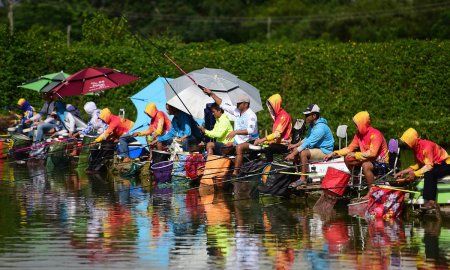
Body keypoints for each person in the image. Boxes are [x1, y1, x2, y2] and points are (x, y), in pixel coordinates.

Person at [324, 111, 388, 189]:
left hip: (381, 162)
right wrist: (334, 153)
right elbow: (349, 148)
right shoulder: (358, 135)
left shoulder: (375, 134)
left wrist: (356, 154)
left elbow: (373, 153)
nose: (356, 127)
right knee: (347, 158)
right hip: (368, 160)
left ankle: (371, 190)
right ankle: (356, 180)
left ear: (362, 124)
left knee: (365, 165)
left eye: (357, 125)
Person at [202, 88, 258, 176]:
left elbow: (250, 130)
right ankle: (214, 170)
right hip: (237, 142)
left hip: (251, 142)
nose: (237, 104)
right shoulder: (237, 111)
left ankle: (235, 173)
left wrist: (235, 132)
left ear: (245, 104)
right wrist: (211, 94)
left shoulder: (251, 115)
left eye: (239, 103)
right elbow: (222, 104)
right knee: (225, 148)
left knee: (239, 148)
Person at [395, 128, 450, 211]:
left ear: (411, 141)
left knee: (430, 173)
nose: (406, 147)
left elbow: (429, 166)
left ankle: (430, 201)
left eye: (406, 144)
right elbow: (419, 164)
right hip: (436, 164)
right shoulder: (416, 148)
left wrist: (415, 173)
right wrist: (403, 171)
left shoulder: (427, 146)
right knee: (425, 172)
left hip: (446, 164)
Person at [285, 104, 334, 188]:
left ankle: (303, 178)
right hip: (318, 148)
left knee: (303, 152)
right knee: (297, 149)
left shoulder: (320, 128)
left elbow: (307, 143)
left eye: (307, 115)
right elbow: (307, 139)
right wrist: (294, 145)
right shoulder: (313, 125)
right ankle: (297, 173)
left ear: (314, 116)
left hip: (325, 151)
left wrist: (293, 154)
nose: (305, 117)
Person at [253, 94, 292, 162]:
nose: (269, 107)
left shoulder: (284, 116)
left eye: (271, 105)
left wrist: (262, 140)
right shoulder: (277, 117)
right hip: (277, 143)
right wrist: (266, 141)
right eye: (269, 105)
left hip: (285, 145)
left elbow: (277, 134)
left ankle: (269, 168)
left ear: (276, 105)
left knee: (268, 149)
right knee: (257, 147)